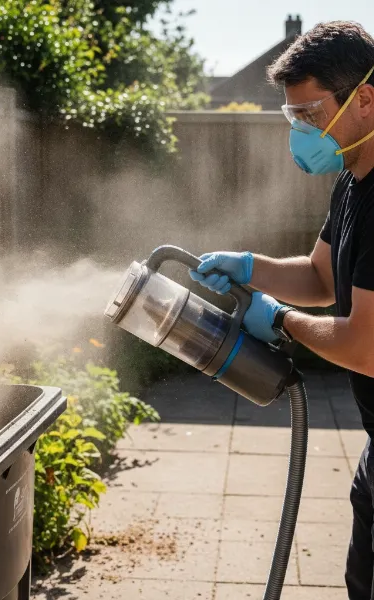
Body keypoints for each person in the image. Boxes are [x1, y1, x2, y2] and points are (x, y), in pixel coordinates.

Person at [189, 21, 374, 600]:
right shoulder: (353, 178)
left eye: (311, 112)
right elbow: (321, 276)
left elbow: (365, 348)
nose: (301, 130)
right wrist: (250, 267)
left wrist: (282, 322)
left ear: (365, 99)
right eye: (293, 116)